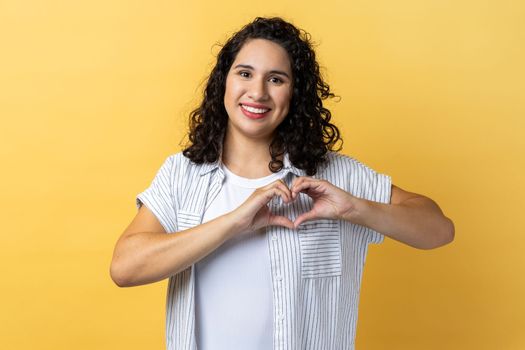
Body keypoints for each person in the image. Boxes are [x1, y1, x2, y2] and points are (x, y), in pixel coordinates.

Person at [110, 17, 454, 350]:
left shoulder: (336, 177)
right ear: (224, 83)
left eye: (276, 79)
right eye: (245, 74)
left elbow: (439, 230)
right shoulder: (182, 174)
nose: (257, 92)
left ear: (295, 93)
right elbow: (125, 267)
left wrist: (355, 208)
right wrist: (234, 222)